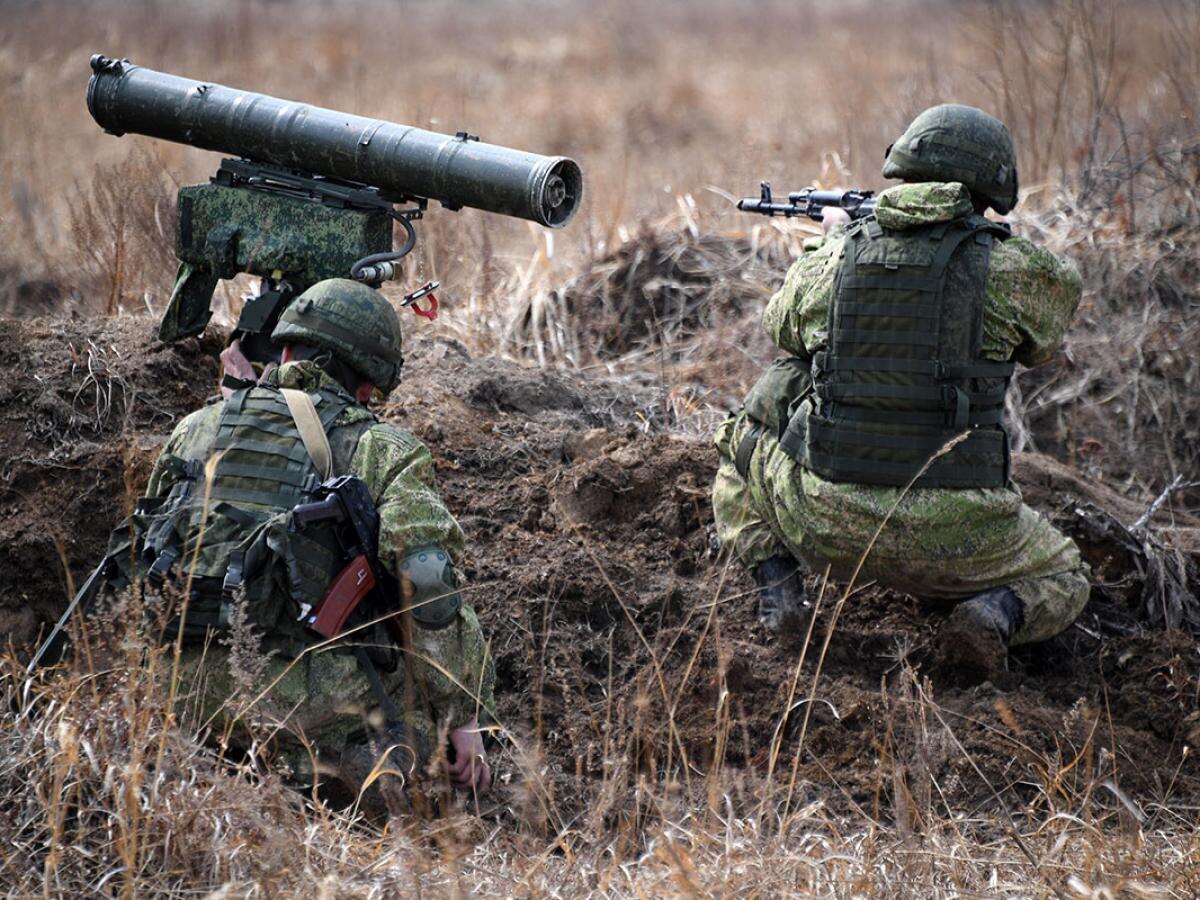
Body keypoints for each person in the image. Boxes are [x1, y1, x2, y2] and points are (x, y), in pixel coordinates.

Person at [712, 104, 1090, 682]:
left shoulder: (839, 254)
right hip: (964, 538)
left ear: (906, 167)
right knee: (1065, 576)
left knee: (739, 441)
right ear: (993, 183)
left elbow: (782, 326)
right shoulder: (1018, 269)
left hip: (825, 522)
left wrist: (832, 243)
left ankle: (779, 591)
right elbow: (1044, 338)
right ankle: (989, 615)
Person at [106, 277, 495, 805]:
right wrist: (463, 716)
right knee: (419, 729)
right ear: (367, 386)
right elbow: (426, 582)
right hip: (300, 705)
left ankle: (217, 763)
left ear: (285, 350)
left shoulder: (195, 428)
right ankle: (325, 773)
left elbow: (147, 547)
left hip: (177, 692)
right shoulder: (383, 448)